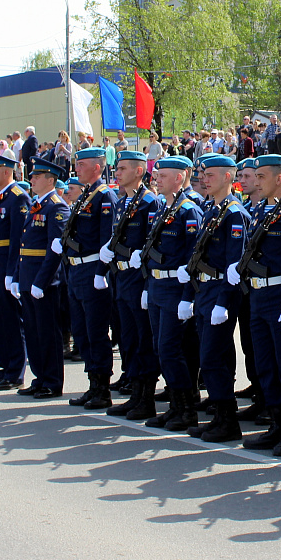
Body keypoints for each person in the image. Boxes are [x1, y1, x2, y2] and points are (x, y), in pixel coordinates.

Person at [236, 155, 281, 456]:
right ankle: (276, 424)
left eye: (261, 176)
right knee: (265, 365)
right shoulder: (258, 212)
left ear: (279, 179)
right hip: (258, 296)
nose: (255, 181)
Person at [181, 154, 250, 442]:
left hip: (220, 292)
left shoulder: (234, 213)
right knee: (210, 357)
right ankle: (220, 416)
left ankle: (228, 421)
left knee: (212, 357)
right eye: (202, 174)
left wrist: (224, 301)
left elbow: (234, 266)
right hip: (205, 291)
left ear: (227, 177)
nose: (203, 179)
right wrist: (189, 295)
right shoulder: (213, 209)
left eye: (209, 174)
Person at [139, 156, 206, 430]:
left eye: (163, 175)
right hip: (157, 286)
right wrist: (147, 287)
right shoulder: (162, 208)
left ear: (179, 178)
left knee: (170, 348)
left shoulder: (189, 211)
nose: (157, 179)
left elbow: (194, 256)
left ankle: (187, 408)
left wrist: (188, 296)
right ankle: (177, 405)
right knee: (160, 348)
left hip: (174, 289)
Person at [105, 151, 165, 418]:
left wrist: (144, 285)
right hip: (121, 278)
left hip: (139, 279)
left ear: (139, 172)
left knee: (143, 340)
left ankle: (146, 398)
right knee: (127, 339)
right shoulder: (122, 202)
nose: (117, 174)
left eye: (122, 169)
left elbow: (150, 244)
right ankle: (134, 391)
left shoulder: (149, 202)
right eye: (117, 169)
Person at [60, 147, 120, 411]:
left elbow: (107, 239)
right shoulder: (86, 194)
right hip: (76, 269)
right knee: (82, 331)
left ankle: (102, 388)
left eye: (82, 164)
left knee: (96, 332)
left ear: (97, 167)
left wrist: (101, 273)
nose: (77, 169)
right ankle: (92, 382)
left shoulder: (104, 196)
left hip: (92, 268)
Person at [15, 157, 70, 398]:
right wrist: (19, 276)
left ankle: (52, 381)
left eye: (36, 177)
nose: (32, 180)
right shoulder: (37, 204)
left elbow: (54, 249)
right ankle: (40, 376)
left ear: (50, 180)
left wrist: (42, 280)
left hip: (44, 281)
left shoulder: (56, 207)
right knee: (34, 331)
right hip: (29, 276)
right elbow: (24, 244)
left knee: (48, 332)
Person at [0, 154, 30, 391]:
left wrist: (12, 273)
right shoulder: (0, 197)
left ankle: (15, 371)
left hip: (5, 269)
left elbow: (17, 240)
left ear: (7, 171)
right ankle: (5, 367)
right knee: (0, 321)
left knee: (12, 321)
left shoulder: (17, 198)